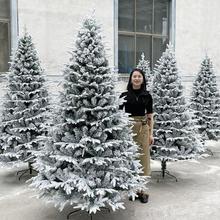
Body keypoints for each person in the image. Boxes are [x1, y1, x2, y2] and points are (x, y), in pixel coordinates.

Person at [119, 68, 154, 203]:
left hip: (143, 129)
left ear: (143, 79)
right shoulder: (124, 95)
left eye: (139, 76)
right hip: (128, 129)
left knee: (143, 159)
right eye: (135, 76)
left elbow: (150, 116)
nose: (137, 78)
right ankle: (131, 189)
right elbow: (119, 115)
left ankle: (142, 190)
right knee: (130, 158)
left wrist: (151, 134)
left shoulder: (147, 96)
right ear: (131, 79)